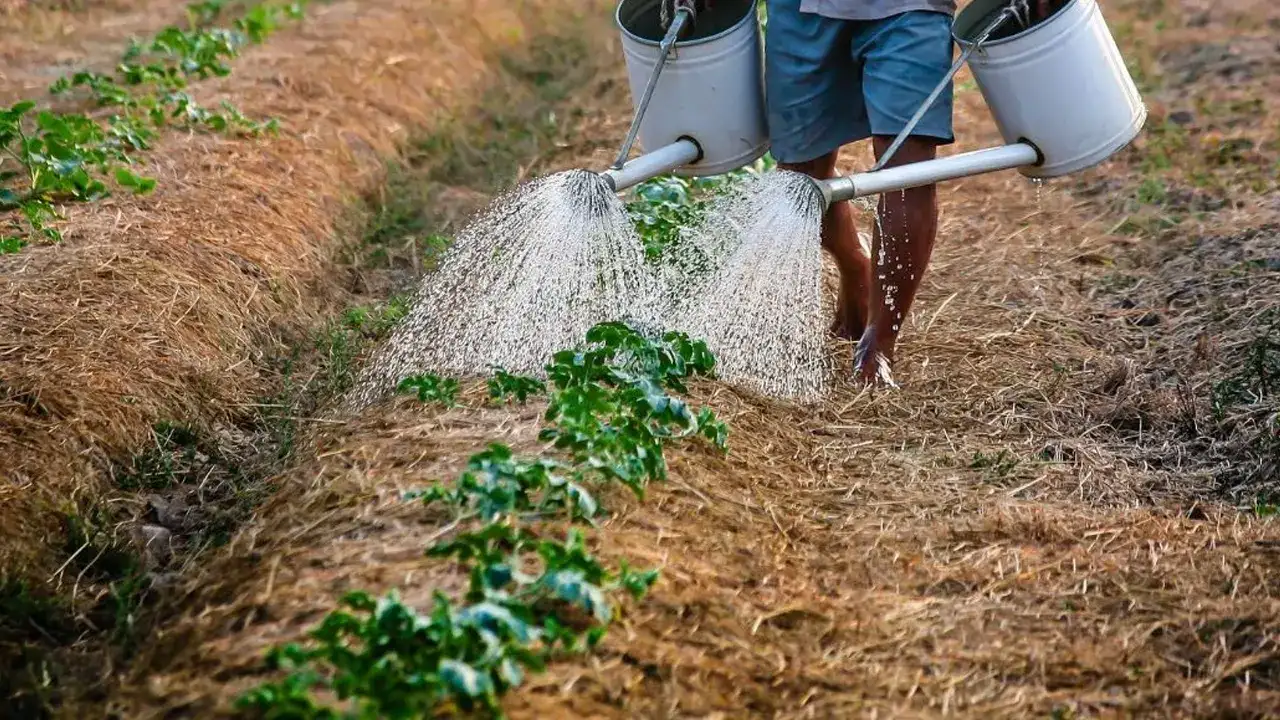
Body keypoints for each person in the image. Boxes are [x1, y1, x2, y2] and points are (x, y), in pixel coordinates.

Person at [761, 0, 1052, 386]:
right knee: (801, 177)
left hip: (911, 6)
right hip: (802, 11)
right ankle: (855, 265)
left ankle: (879, 343)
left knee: (907, 173)